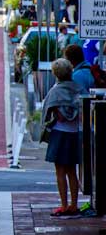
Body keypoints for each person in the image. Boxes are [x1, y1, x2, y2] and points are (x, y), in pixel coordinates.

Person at [41, 58, 82, 217]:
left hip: (59, 133)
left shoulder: (56, 91)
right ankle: (74, 204)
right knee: (72, 170)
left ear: (56, 73)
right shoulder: (77, 88)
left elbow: (51, 111)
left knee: (60, 171)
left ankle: (64, 205)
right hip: (74, 133)